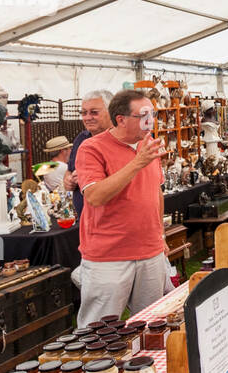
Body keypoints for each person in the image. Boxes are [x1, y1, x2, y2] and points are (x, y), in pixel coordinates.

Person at [74, 89, 168, 323]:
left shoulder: (148, 144)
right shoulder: (91, 148)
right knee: (98, 332)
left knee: (151, 326)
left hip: (150, 252)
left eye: (152, 114)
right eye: (143, 115)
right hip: (109, 257)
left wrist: (161, 235)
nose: (150, 121)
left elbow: (156, 191)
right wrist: (137, 162)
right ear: (121, 119)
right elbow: (95, 196)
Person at [63, 89, 113, 219]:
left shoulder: (120, 141)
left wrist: (88, 178)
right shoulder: (81, 139)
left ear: (111, 111)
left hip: (110, 221)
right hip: (84, 220)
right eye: (84, 113)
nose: (87, 117)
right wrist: (68, 180)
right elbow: (70, 170)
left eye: (94, 112)